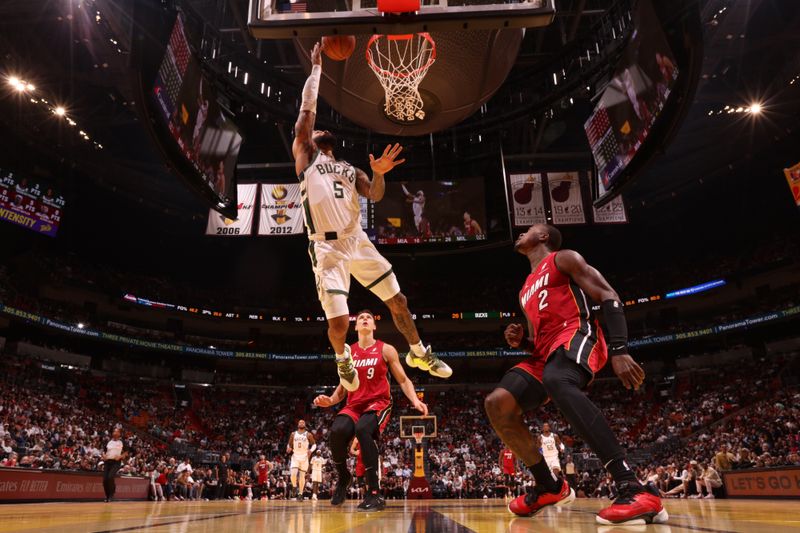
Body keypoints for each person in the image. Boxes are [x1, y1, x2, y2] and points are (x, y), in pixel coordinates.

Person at [292, 43, 452, 393]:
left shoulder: (351, 170)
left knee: (399, 301)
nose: (316, 131)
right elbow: (307, 110)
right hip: (326, 249)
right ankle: (342, 358)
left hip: (356, 240)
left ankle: (419, 352)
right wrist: (317, 68)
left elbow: (376, 195)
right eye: (314, 131)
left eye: (319, 132)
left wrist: (379, 174)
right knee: (337, 324)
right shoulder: (307, 155)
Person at [483, 224, 667, 525]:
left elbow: (608, 294)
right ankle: (549, 486)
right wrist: (523, 342)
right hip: (545, 352)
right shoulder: (525, 287)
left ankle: (632, 487)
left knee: (558, 379)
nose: (520, 234)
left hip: (576, 333)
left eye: (528, 229)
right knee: (497, 403)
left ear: (543, 237)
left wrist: (620, 349)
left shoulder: (563, 258)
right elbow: (537, 339)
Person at [314, 309, 428, 512]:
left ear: (374, 326)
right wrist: (330, 400)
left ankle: (374, 493)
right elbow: (343, 386)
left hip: (379, 402)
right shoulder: (348, 352)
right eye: (360, 318)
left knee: (363, 429)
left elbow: (403, 379)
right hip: (354, 404)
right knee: (337, 432)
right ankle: (343, 477)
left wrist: (415, 400)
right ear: (355, 326)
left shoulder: (386, 349)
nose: (365, 319)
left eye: (369, 318)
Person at [287, 420, 316, 501]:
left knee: (302, 476)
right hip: (295, 456)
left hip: (304, 457)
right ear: (298, 424)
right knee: (293, 474)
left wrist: (311, 450)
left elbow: (314, 444)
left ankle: (300, 494)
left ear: (305, 424)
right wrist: (288, 448)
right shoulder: (293, 434)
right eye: (300, 422)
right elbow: (289, 444)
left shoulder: (308, 434)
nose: (301, 423)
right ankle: (294, 487)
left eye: (303, 422)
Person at [101, 428, 126, 502]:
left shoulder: (122, 442)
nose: (115, 432)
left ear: (119, 434)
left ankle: (112, 494)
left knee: (110, 477)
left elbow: (126, 453)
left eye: (117, 431)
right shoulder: (108, 441)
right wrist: (104, 456)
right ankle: (107, 495)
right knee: (105, 480)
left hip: (116, 462)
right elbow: (103, 451)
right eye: (114, 431)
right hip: (107, 462)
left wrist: (120, 456)